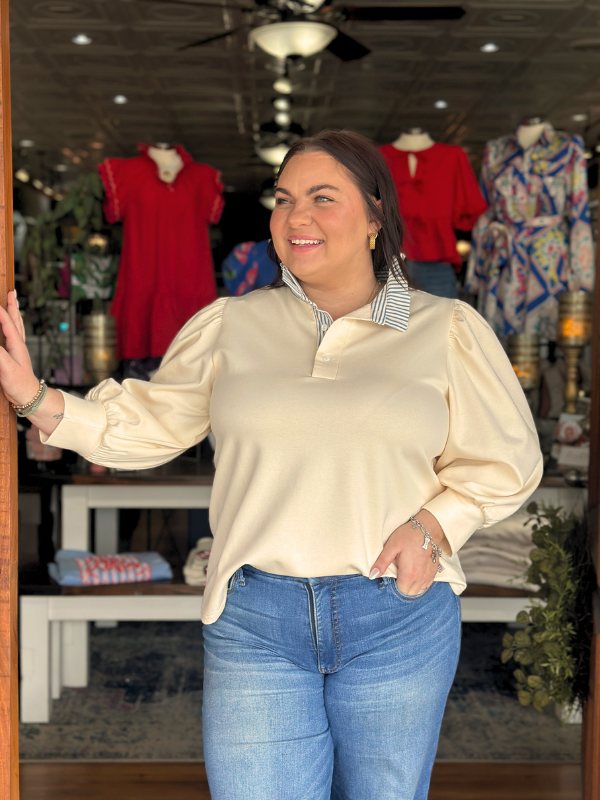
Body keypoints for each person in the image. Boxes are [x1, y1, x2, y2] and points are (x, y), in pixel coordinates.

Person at [0, 130, 543, 800]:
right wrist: (38, 399)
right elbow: (152, 421)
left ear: (377, 217)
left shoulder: (443, 326)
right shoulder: (234, 323)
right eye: (284, 200)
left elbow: (508, 459)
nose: (296, 218)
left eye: (323, 198)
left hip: (395, 614)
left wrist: (434, 526)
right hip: (258, 618)